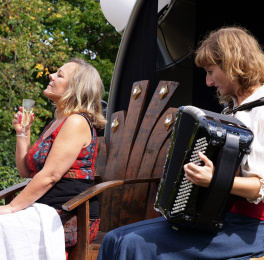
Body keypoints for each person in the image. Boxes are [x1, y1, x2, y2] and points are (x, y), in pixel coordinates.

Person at [97, 26, 264, 259]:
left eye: (210, 71)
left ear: (231, 63)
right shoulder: (233, 110)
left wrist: (213, 180)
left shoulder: (261, 111)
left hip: (250, 227)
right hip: (217, 219)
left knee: (132, 244)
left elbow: (260, 186)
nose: (207, 82)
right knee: (113, 238)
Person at [0, 57, 107, 259]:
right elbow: (26, 171)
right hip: (44, 208)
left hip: (70, 215)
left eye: (59, 75)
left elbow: (50, 175)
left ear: (75, 88)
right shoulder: (56, 123)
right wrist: (23, 132)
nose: (50, 76)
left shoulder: (76, 121)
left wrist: (12, 206)